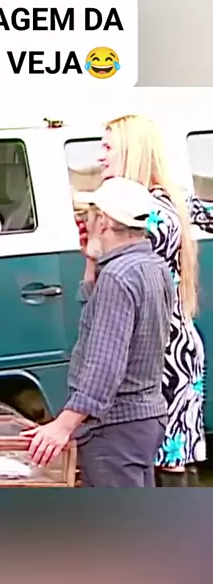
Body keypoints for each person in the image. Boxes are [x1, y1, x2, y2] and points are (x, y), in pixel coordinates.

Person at [77, 114, 213, 487]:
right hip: (173, 345)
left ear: (131, 149)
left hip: (156, 352)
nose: (100, 156)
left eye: (108, 147)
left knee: (155, 462)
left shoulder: (140, 213)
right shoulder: (173, 200)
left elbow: (103, 287)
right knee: (167, 459)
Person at [22, 177, 175, 488]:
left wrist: (63, 425)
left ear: (103, 221)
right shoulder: (152, 265)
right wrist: (92, 261)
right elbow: (101, 317)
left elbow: (105, 362)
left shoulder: (118, 276)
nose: (86, 222)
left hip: (115, 427)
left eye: (90, 215)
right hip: (142, 420)